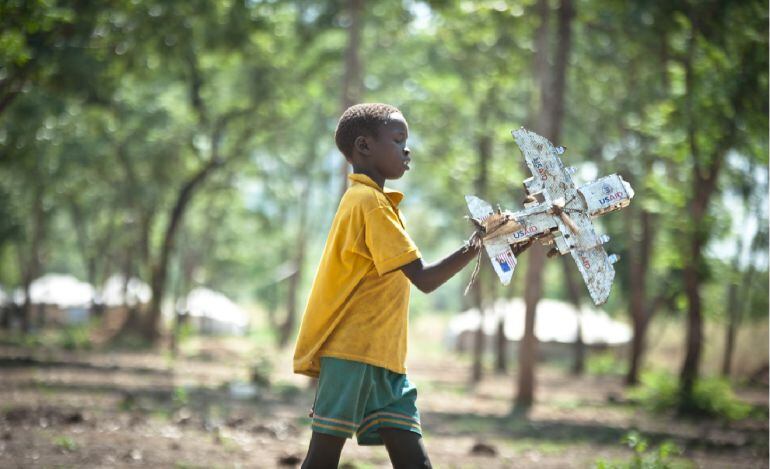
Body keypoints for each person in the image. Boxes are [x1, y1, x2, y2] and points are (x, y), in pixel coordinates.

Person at [293, 103, 529, 468]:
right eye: (398, 139)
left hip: (385, 356)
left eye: (407, 140)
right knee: (322, 459)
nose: (407, 149)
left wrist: (500, 245)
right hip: (352, 351)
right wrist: (480, 241)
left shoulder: (375, 203)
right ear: (364, 146)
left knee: (413, 462)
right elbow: (424, 278)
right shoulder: (369, 203)